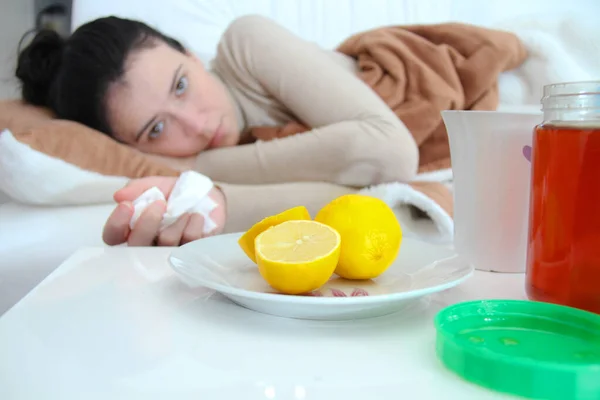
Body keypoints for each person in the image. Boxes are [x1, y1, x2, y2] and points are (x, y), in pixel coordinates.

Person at [16, 14, 419, 246]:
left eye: (181, 84)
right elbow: (371, 203)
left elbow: (393, 153)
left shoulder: (247, 44)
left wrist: (200, 164)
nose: (197, 123)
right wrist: (222, 203)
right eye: (156, 129)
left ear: (190, 54)